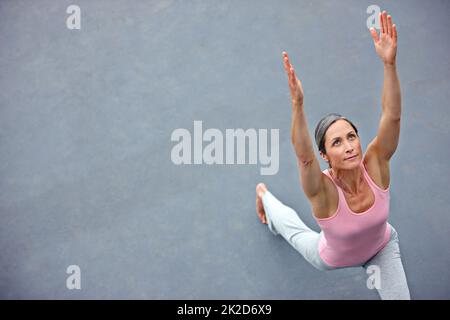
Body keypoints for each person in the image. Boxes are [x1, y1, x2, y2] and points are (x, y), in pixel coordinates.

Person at [255, 10, 410, 300]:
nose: (349, 145)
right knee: (295, 232)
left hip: (382, 250)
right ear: (324, 155)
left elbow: (393, 116)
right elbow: (304, 157)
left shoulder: (376, 164)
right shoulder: (323, 191)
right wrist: (297, 105)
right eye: (337, 142)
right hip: (331, 258)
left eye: (351, 136)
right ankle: (264, 195)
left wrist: (389, 64)